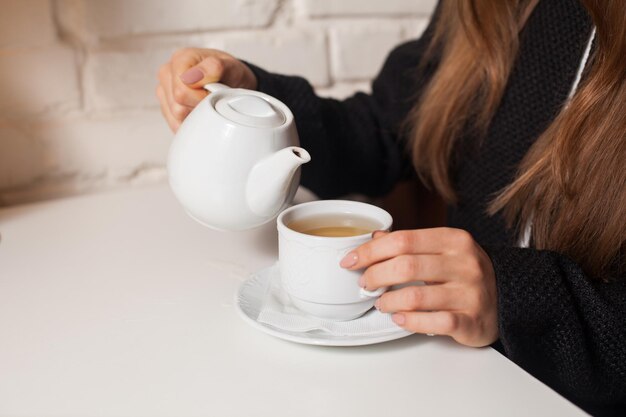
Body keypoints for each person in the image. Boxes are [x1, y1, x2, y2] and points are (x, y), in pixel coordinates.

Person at [156, 0, 625, 415]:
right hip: (454, 380)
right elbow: (388, 130)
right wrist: (258, 99)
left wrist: (517, 298)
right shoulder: (489, 8)